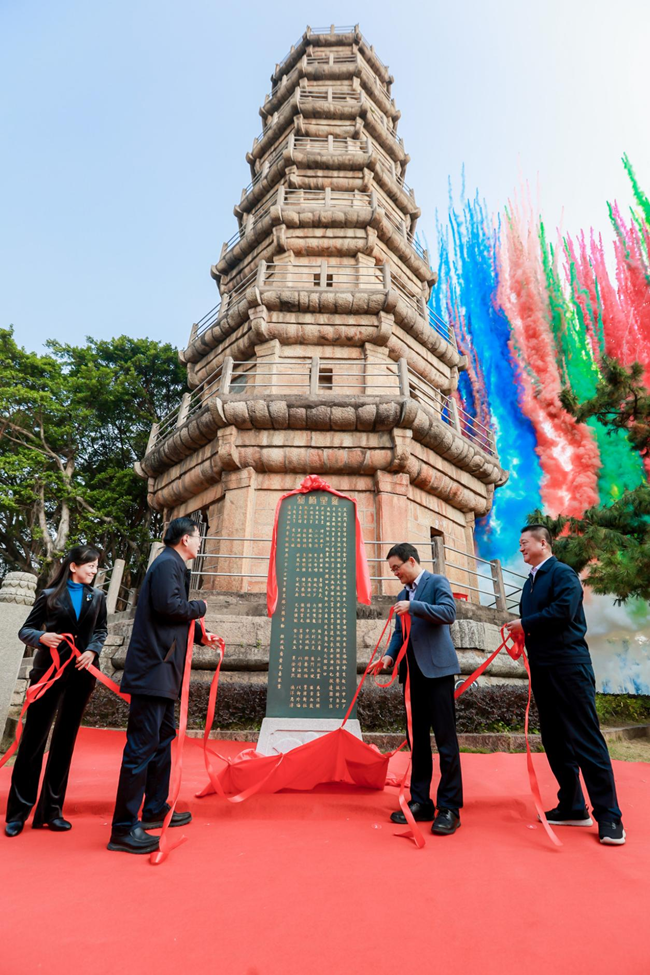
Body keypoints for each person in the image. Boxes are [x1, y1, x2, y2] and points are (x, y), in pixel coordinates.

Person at [505, 524, 625, 846]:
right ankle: (572, 806)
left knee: (585, 739)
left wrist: (525, 624)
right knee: (555, 740)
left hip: (569, 667)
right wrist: (522, 632)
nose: (521, 549)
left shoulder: (562, 574)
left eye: (524, 543)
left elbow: (562, 612)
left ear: (543, 543)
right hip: (543, 669)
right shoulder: (530, 583)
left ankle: (610, 817)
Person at [108, 517, 220, 854]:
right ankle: (123, 829)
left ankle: (155, 808)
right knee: (142, 746)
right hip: (154, 670)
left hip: (163, 670)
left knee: (161, 739)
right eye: (199, 538)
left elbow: (171, 615)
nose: (200, 543)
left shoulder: (172, 566)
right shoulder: (167, 564)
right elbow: (170, 607)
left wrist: (202, 635)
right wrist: (200, 606)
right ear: (186, 539)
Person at [5, 545, 107, 837]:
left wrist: (92, 650)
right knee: (34, 742)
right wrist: (42, 636)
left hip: (81, 676)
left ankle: (51, 811)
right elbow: (26, 630)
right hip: (48, 675)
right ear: (73, 566)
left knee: (65, 742)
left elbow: (100, 631)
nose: (94, 570)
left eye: (97, 566)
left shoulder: (97, 597)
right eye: (90, 565)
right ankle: (17, 813)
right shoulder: (48, 596)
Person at [380, 543, 463, 836]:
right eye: (392, 570)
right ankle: (421, 802)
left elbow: (448, 613)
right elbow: (399, 632)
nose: (395, 574)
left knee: (445, 741)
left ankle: (450, 807)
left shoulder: (437, 582)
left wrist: (414, 606)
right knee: (417, 741)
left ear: (411, 561)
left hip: (438, 673)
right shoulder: (402, 595)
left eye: (397, 568)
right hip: (412, 676)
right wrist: (390, 655)